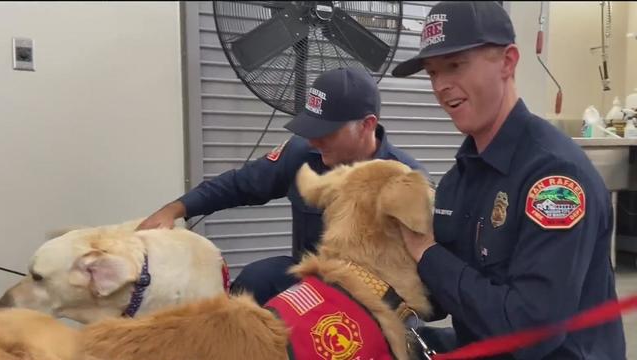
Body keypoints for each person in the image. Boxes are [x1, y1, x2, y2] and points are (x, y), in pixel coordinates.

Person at [391, 1, 626, 359]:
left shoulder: (555, 179)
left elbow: (532, 331)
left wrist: (427, 253)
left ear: (508, 62)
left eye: (455, 65)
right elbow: (444, 294)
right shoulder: (459, 179)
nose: (441, 86)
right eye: (432, 72)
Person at [137, 67, 430, 305]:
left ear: (366, 125)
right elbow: (240, 185)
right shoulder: (302, 153)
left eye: (325, 132)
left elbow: (423, 278)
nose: (314, 140)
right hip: (311, 280)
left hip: (374, 302)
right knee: (256, 281)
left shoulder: (407, 183)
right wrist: (174, 209)